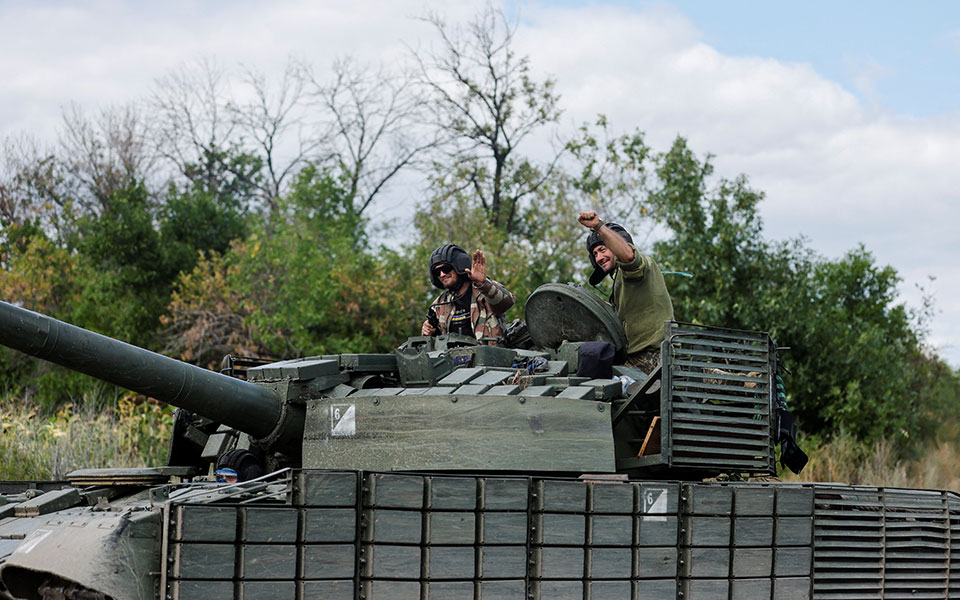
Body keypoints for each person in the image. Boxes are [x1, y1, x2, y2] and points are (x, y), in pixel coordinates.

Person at [577, 210, 674, 372]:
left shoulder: (635, 268)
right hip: (637, 358)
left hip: (653, 358)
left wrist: (598, 226)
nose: (599, 258)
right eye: (595, 254)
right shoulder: (619, 282)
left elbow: (629, 257)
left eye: (603, 249)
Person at [421, 244, 516, 346]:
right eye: (436, 272)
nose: (442, 274)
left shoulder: (484, 292)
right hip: (451, 359)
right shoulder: (439, 304)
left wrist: (483, 284)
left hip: (488, 358)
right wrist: (428, 331)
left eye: (446, 268)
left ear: (459, 265)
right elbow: (432, 343)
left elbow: (508, 301)